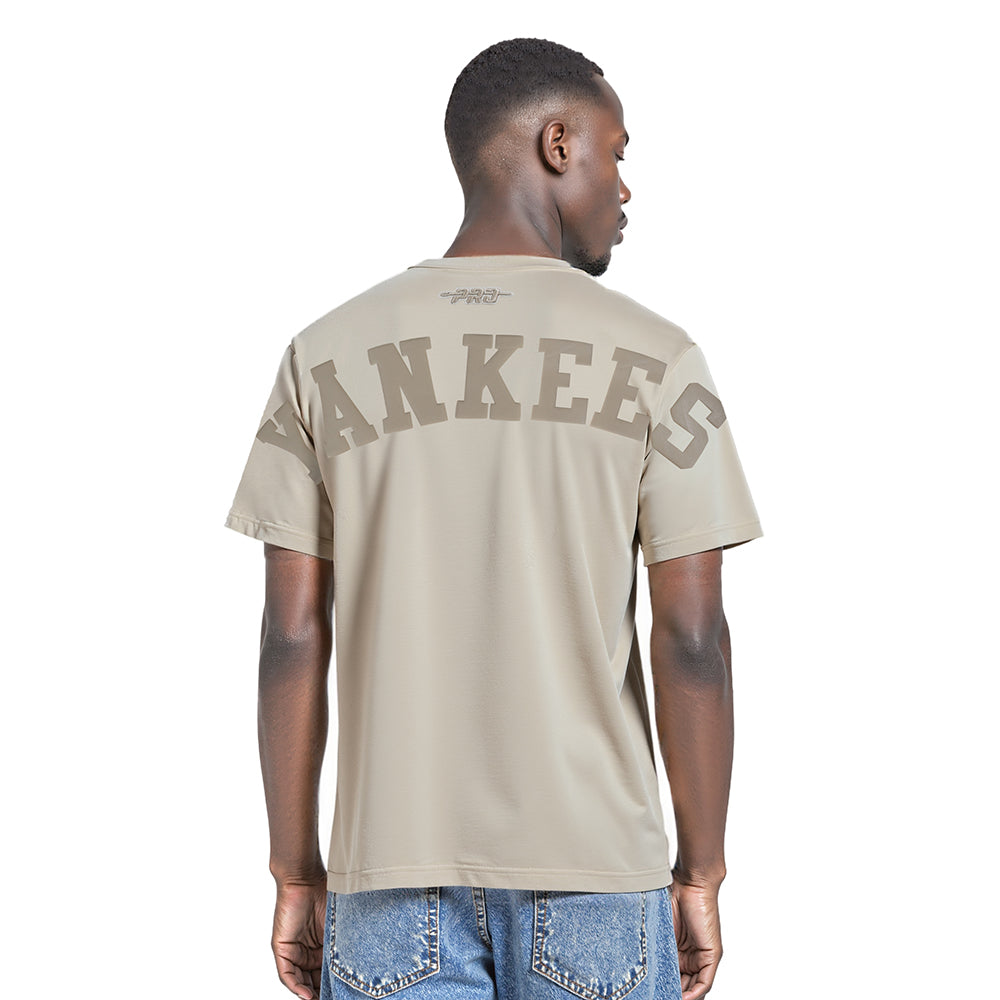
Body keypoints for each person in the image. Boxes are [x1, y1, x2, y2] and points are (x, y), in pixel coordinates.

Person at [224, 37, 762, 1000]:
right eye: (615, 153)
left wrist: (295, 870)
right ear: (558, 144)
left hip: (384, 887)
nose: (625, 188)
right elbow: (692, 640)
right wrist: (702, 870)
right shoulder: (660, 358)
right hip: (600, 879)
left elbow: (291, 637)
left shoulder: (324, 355)